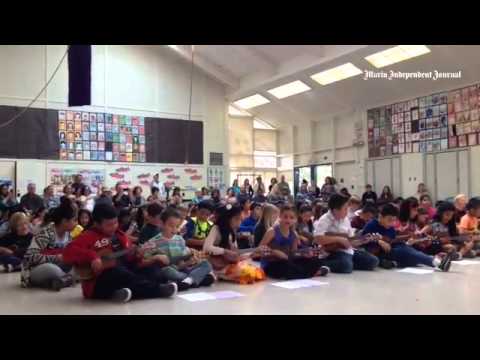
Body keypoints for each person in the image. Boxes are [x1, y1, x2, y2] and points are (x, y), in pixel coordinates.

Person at [63, 204, 177, 303]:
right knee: (120, 273)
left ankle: (121, 293)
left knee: (152, 270)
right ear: (97, 223)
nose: (114, 227)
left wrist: (137, 254)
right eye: (109, 224)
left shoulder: (120, 236)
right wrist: (92, 257)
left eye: (116, 222)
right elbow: (68, 252)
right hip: (97, 284)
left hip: (123, 273)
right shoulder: (87, 236)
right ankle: (158, 290)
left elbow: (129, 260)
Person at [137, 207, 215, 292]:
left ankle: (188, 281)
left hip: (183, 269)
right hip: (170, 271)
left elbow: (183, 261)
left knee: (206, 264)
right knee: (167, 271)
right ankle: (193, 279)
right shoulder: (154, 242)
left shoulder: (180, 239)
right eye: (170, 226)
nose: (174, 229)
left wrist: (191, 258)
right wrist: (152, 256)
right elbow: (144, 261)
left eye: (177, 226)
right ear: (162, 224)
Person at [362, 204, 453, 271]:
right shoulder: (371, 225)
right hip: (381, 252)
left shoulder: (390, 227)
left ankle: (394, 263)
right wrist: (379, 241)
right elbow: (363, 241)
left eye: (394, 220)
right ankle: (437, 263)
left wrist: (408, 237)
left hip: (393, 248)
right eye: (389, 220)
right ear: (381, 217)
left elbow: (392, 239)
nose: (392, 223)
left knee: (412, 255)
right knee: (407, 253)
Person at [260, 204, 329, 280]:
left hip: (287, 261)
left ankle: (307, 272)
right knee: (287, 267)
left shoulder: (294, 234)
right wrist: (274, 252)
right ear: (280, 217)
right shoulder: (272, 231)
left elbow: (293, 254)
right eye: (285, 217)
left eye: (291, 218)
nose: (288, 220)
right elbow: (259, 250)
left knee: (315, 260)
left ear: (295, 219)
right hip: (271, 264)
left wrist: (304, 254)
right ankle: (313, 273)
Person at [313, 194, 379, 273]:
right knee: (346, 266)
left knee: (373, 261)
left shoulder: (346, 219)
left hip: (347, 250)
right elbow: (318, 238)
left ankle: (347, 264)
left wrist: (363, 240)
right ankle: (321, 264)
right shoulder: (325, 219)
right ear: (335, 210)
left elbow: (350, 240)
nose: (347, 211)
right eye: (345, 209)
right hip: (332, 252)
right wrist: (339, 239)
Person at [21, 198, 77, 290]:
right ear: (64, 221)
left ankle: (59, 281)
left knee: (79, 266)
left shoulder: (68, 235)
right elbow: (29, 257)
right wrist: (56, 257)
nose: (76, 223)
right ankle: (67, 279)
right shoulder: (46, 233)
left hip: (59, 266)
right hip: (36, 269)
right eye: (73, 220)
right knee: (53, 269)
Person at [203, 203, 264, 283]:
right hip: (215, 265)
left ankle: (224, 275)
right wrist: (224, 251)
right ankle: (218, 275)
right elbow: (206, 248)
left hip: (228, 264)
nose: (239, 222)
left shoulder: (232, 231)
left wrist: (253, 253)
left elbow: (235, 253)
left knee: (257, 273)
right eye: (236, 219)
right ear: (228, 218)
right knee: (249, 275)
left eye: (239, 219)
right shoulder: (216, 229)